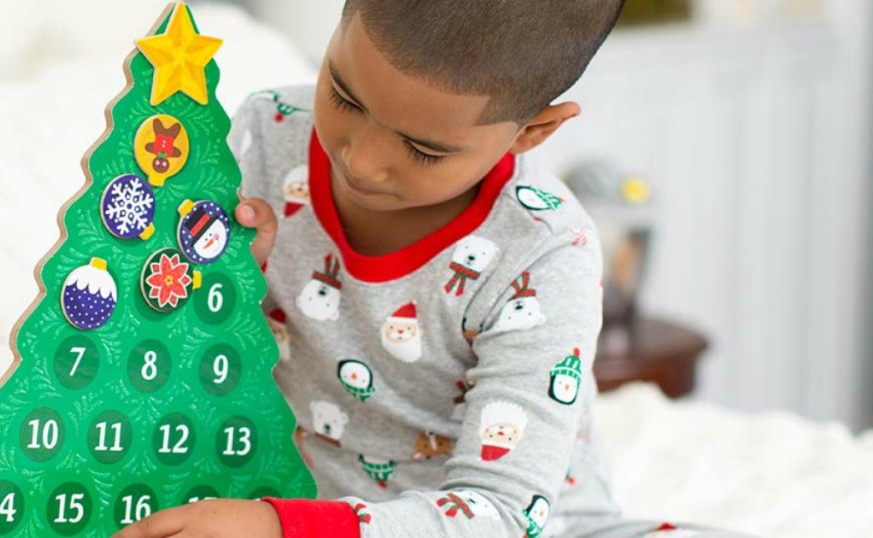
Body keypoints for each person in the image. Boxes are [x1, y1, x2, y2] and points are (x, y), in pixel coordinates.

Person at [115, 1, 748, 537]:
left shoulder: (546, 251)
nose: (360, 162)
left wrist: (284, 527)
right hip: (289, 499)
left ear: (534, 131)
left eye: (422, 149)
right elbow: (165, 347)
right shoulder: (266, 129)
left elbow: (502, 512)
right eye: (343, 94)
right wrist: (224, 288)